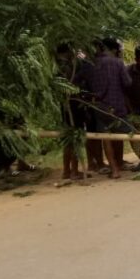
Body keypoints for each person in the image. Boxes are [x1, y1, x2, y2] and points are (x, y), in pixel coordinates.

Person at [82, 38, 132, 179]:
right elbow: (127, 83)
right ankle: (137, 161)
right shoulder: (117, 62)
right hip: (118, 105)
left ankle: (114, 169)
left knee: (106, 137)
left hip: (99, 106)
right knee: (126, 134)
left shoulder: (87, 64)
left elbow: (80, 83)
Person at [55, 44, 91, 180]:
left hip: (65, 105)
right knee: (75, 137)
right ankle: (74, 171)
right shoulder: (67, 67)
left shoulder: (56, 66)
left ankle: (67, 170)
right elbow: (74, 85)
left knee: (68, 138)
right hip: (73, 105)